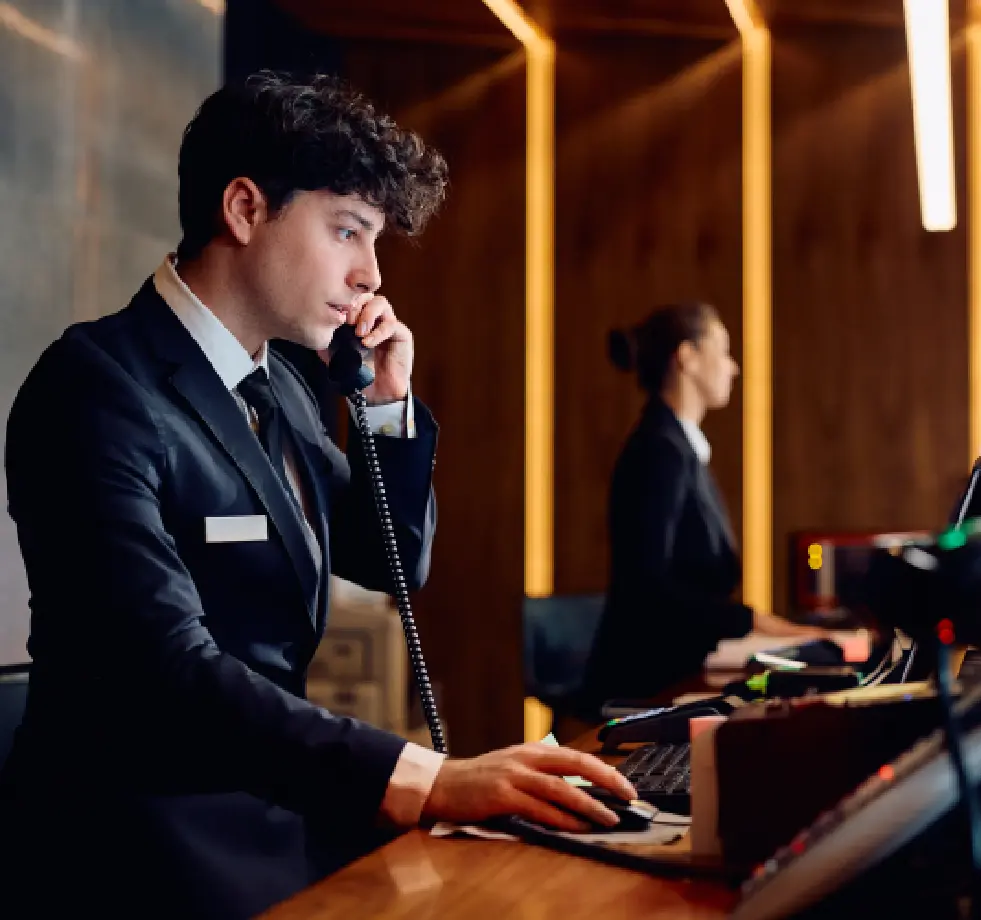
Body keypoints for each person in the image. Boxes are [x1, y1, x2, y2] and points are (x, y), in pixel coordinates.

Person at [0, 72, 634, 919]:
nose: (371, 274)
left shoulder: (286, 391)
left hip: (278, 823)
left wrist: (382, 407)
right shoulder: (94, 387)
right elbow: (166, 670)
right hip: (137, 859)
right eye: (347, 231)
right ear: (244, 209)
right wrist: (428, 777)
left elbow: (393, 562)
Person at [580, 302, 823, 710]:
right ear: (687, 357)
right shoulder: (660, 450)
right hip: (646, 685)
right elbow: (650, 591)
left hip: (675, 670)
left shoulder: (677, 447)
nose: (733, 367)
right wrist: (763, 626)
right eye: (723, 350)